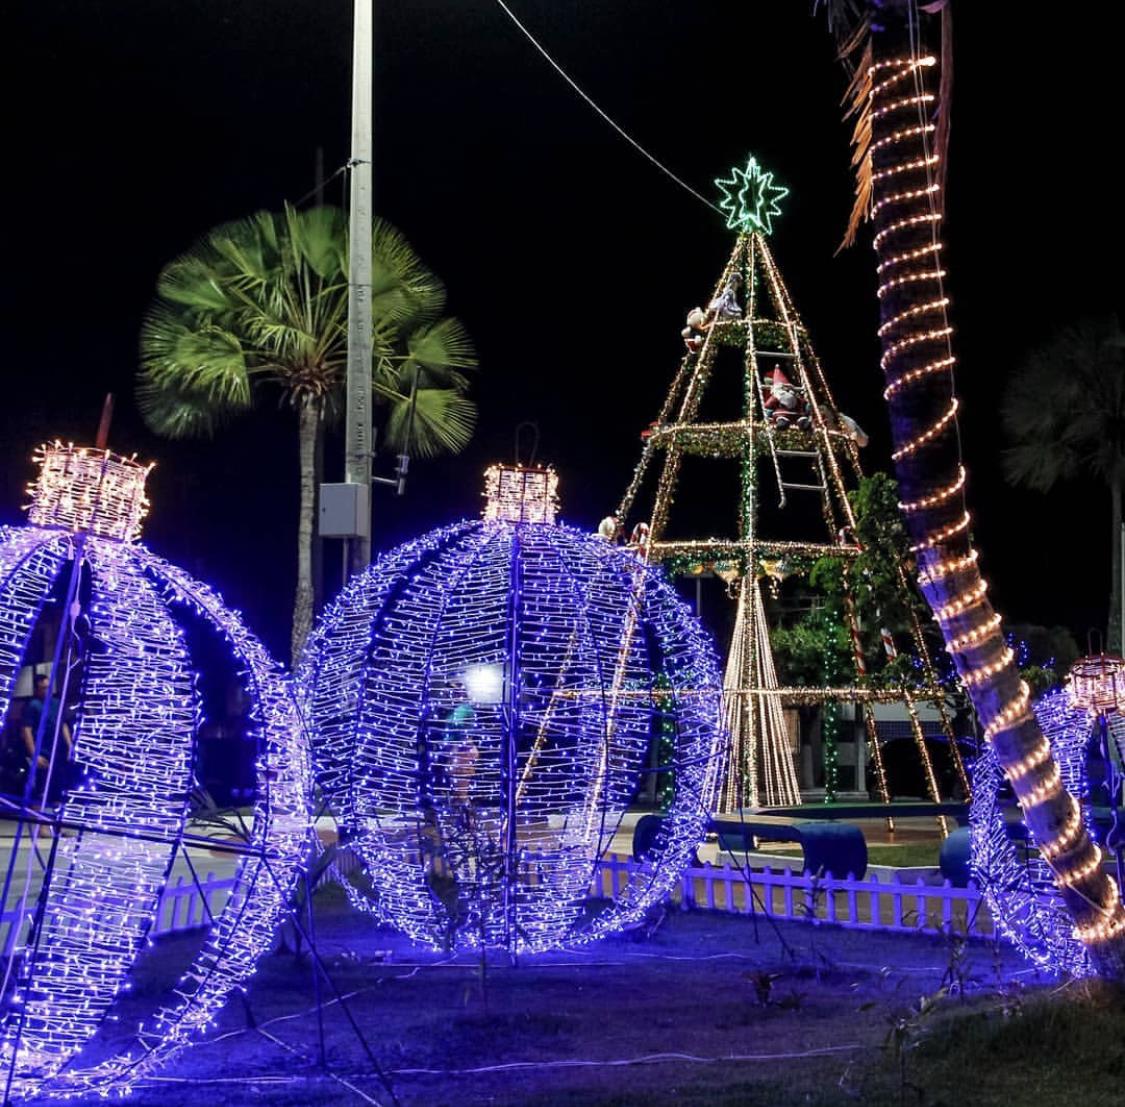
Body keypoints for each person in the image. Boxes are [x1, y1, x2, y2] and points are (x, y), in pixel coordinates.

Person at [21, 673, 73, 804]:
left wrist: (70, 745)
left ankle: (53, 819)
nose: (47, 691)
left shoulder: (57, 703)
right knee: (41, 792)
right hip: (43, 752)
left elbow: (63, 724)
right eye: (44, 688)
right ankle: (40, 819)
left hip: (58, 751)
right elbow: (27, 730)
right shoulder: (32, 705)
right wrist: (34, 754)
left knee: (58, 791)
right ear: (37, 689)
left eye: (49, 687)